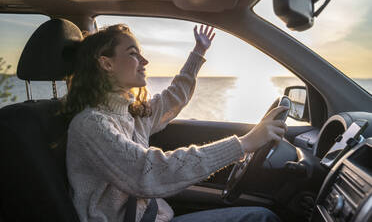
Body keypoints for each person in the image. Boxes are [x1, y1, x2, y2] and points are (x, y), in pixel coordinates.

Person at [63, 23, 288, 222]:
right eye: (133, 54)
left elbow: (173, 97)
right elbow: (146, 171)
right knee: (262, 218)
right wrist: (244, 144)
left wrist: (198, 53)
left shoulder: (129, 113)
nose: (145, 61)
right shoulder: (90, 125)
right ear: (106, 64)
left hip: (156, 216)